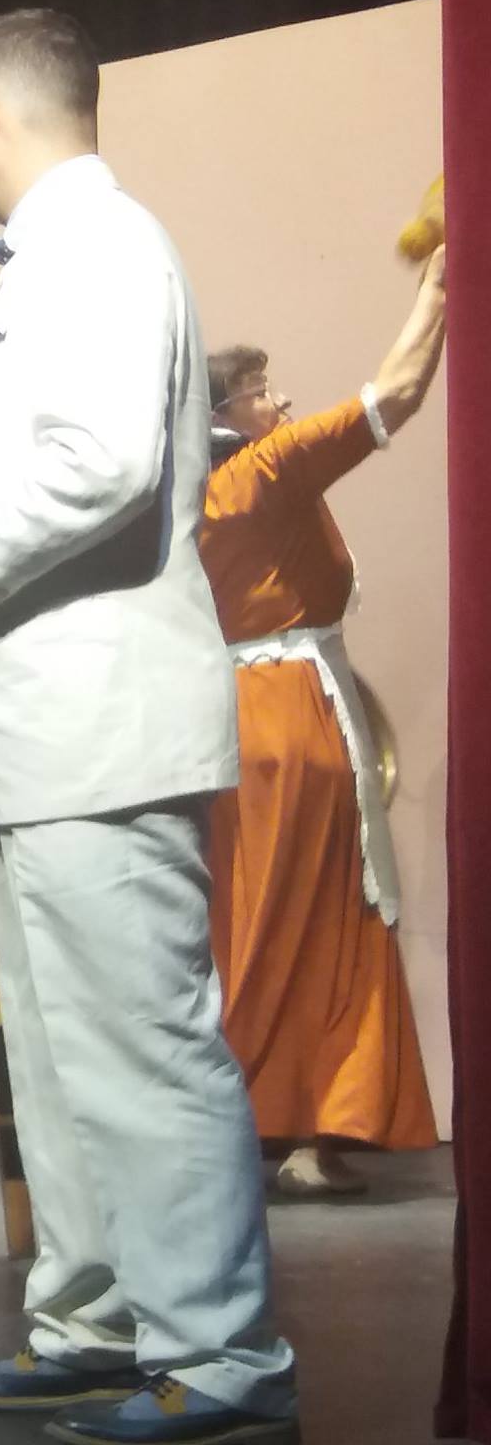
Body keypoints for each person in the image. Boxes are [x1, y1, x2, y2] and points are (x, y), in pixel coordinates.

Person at [0, 11, 296, 1444]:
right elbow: (16, 502)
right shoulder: (49, 260)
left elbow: (99, 470)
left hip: (104, 729)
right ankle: (96, 1323)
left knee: (141, 1050)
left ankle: (222, 1356)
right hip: (46, 736)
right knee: (64, 1058)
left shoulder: (100, 247)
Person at [201, 250, 447, 1196]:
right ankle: (278, 1118)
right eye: (263, 392)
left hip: (248, 718)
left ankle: (289, 1122)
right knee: (301, 923)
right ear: (226, 414)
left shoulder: (198, 493)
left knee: (269, 920)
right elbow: (395, 394)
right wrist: (439, 292)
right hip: (287, 720)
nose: (282, 401)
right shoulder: (264, 471)